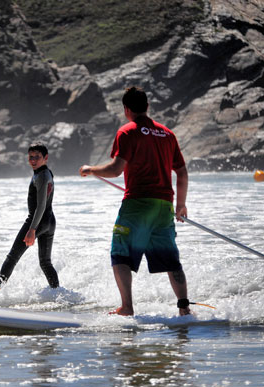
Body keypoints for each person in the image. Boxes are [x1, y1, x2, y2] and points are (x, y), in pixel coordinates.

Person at [79, 86, 191, 316]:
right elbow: (181, 172)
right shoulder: (167, 134)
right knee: (171, 259)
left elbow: (115, 169)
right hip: (164, 206)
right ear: (147, 107)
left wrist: (90, 169)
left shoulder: (128, 132)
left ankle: (127, 307)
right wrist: (181, 205)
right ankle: (184, 308)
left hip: (138, 203)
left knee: (119, 252)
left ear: (126, 109)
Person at [0, 142, 60, 289]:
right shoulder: (45, 173)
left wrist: (32, 229)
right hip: (49, 221)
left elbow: (41, 205)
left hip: (37, 222)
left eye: (37, 157)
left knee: (12, 257)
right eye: (30, 157)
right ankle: (57, 292)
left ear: (46, 157)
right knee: (45, 262)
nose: (33, 160)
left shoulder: (42, 176)